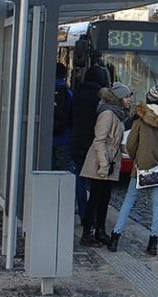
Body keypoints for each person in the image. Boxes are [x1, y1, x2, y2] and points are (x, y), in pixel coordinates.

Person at [108, 83, 158, 256]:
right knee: (157, 204)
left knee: (129, 201)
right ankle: (153, 243)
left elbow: (132, 144)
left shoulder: (142, 119)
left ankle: (115, 237)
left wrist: (137, 159)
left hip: (142, 166)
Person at [79, 81, 133, 247]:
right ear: (118, 98)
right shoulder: (108, 114)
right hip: (100, 162)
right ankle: (87, 234)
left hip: (110, 161)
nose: (130, 99)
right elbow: (100, 140)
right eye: (126, 96)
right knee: (95, 198)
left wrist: (127, 150)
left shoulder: (117, 113)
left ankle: (100, 231)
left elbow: (113, 141)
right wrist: (103, 164)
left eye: (130, 96)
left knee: (104, 198)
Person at [70, 65, 109, 228]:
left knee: (79, 177)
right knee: (95, 183)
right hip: (93, 144)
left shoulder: (76, 93)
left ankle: (83, 210)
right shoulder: (100, 100)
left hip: (76, 142)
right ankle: (90, 217)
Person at [52, 62, 73, 170]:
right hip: (64, 136)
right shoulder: (68, 92)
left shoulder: (44, 90)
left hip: (45, 137)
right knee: (65, 169)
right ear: (65, 75)